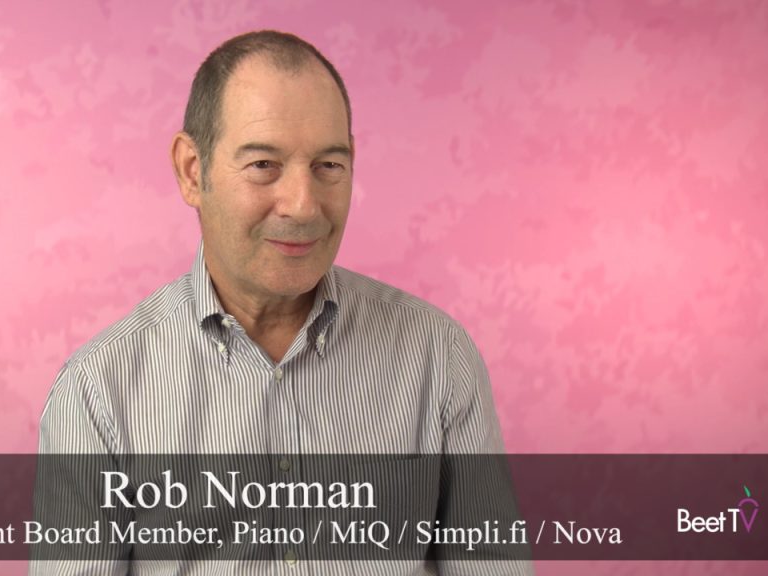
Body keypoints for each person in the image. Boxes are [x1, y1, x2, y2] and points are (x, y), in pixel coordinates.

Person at [32, 30, 531, 575]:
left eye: (328, 166)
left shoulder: (440, 356)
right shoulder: (97, 393)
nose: (302, 204)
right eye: (264, 165)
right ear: (193, 170)